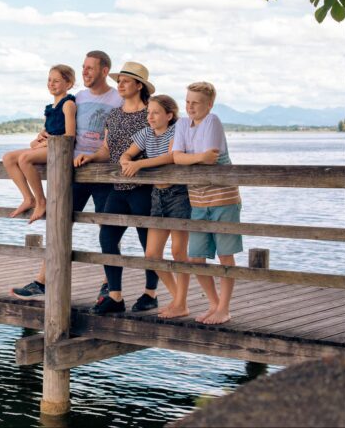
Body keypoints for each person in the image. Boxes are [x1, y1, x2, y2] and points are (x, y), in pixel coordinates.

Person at [10, 51, 122, 300]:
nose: (85, 72)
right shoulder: (78, 98)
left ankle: (110, 282)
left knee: (108, 229)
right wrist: (42, 136)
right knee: (58, 222)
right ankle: (42, 281)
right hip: (74, 169)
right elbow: (60, 125)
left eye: (90, 68)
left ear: (104, 71)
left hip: (104, 171)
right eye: (83, 67)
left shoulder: (118, 98)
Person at [74, 61, 160, 314]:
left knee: (148, 243)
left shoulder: (150, 115)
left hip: (144, 187)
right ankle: (115, 296)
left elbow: (163, 145)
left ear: (139, 85)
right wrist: (91, 157)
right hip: (118, 187)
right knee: (107, 237)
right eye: (119, 81)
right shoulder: (114, 114)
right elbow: (107, 149)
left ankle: (150, 293)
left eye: (125, 81)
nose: (120, 85)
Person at [172, 81, 243, 325]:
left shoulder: (212, 121)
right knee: (196, 257)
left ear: (209, 104)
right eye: (187, 102)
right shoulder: (182, 124)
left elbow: (210, 159)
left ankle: (224, 308)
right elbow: (176, 157)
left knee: (225, 255)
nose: (190, 107)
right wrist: (197, 157)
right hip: (198, 200)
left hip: (224, 199)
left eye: (196, 103)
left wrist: (190, 157)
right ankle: (214, 304)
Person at [120, 94, 191, 318]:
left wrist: (139, 163)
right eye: (148, 112)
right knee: (152, 254)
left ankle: (180, 303)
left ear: (169, 115)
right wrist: (126, 161)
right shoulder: (146, 133)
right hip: (157, 195)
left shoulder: (177, 130)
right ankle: (179, 300)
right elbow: (128, 153)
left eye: (156, 113)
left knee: (179, 252)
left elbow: (170, 157)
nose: (150, 117)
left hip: (178, 195)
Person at [2, 64, 77, 225]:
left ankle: (41, 201)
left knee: (24, 159)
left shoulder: (68, 104)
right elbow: (44, 134)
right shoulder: (49, 109)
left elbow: (70, 136)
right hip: (48, 146)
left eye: (56, 81)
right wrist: (38, 139)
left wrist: (45, 143)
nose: (51, 84)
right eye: (49, 80)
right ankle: (28, 198)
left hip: (61, 149)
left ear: (68, 84)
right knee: (8, 158)